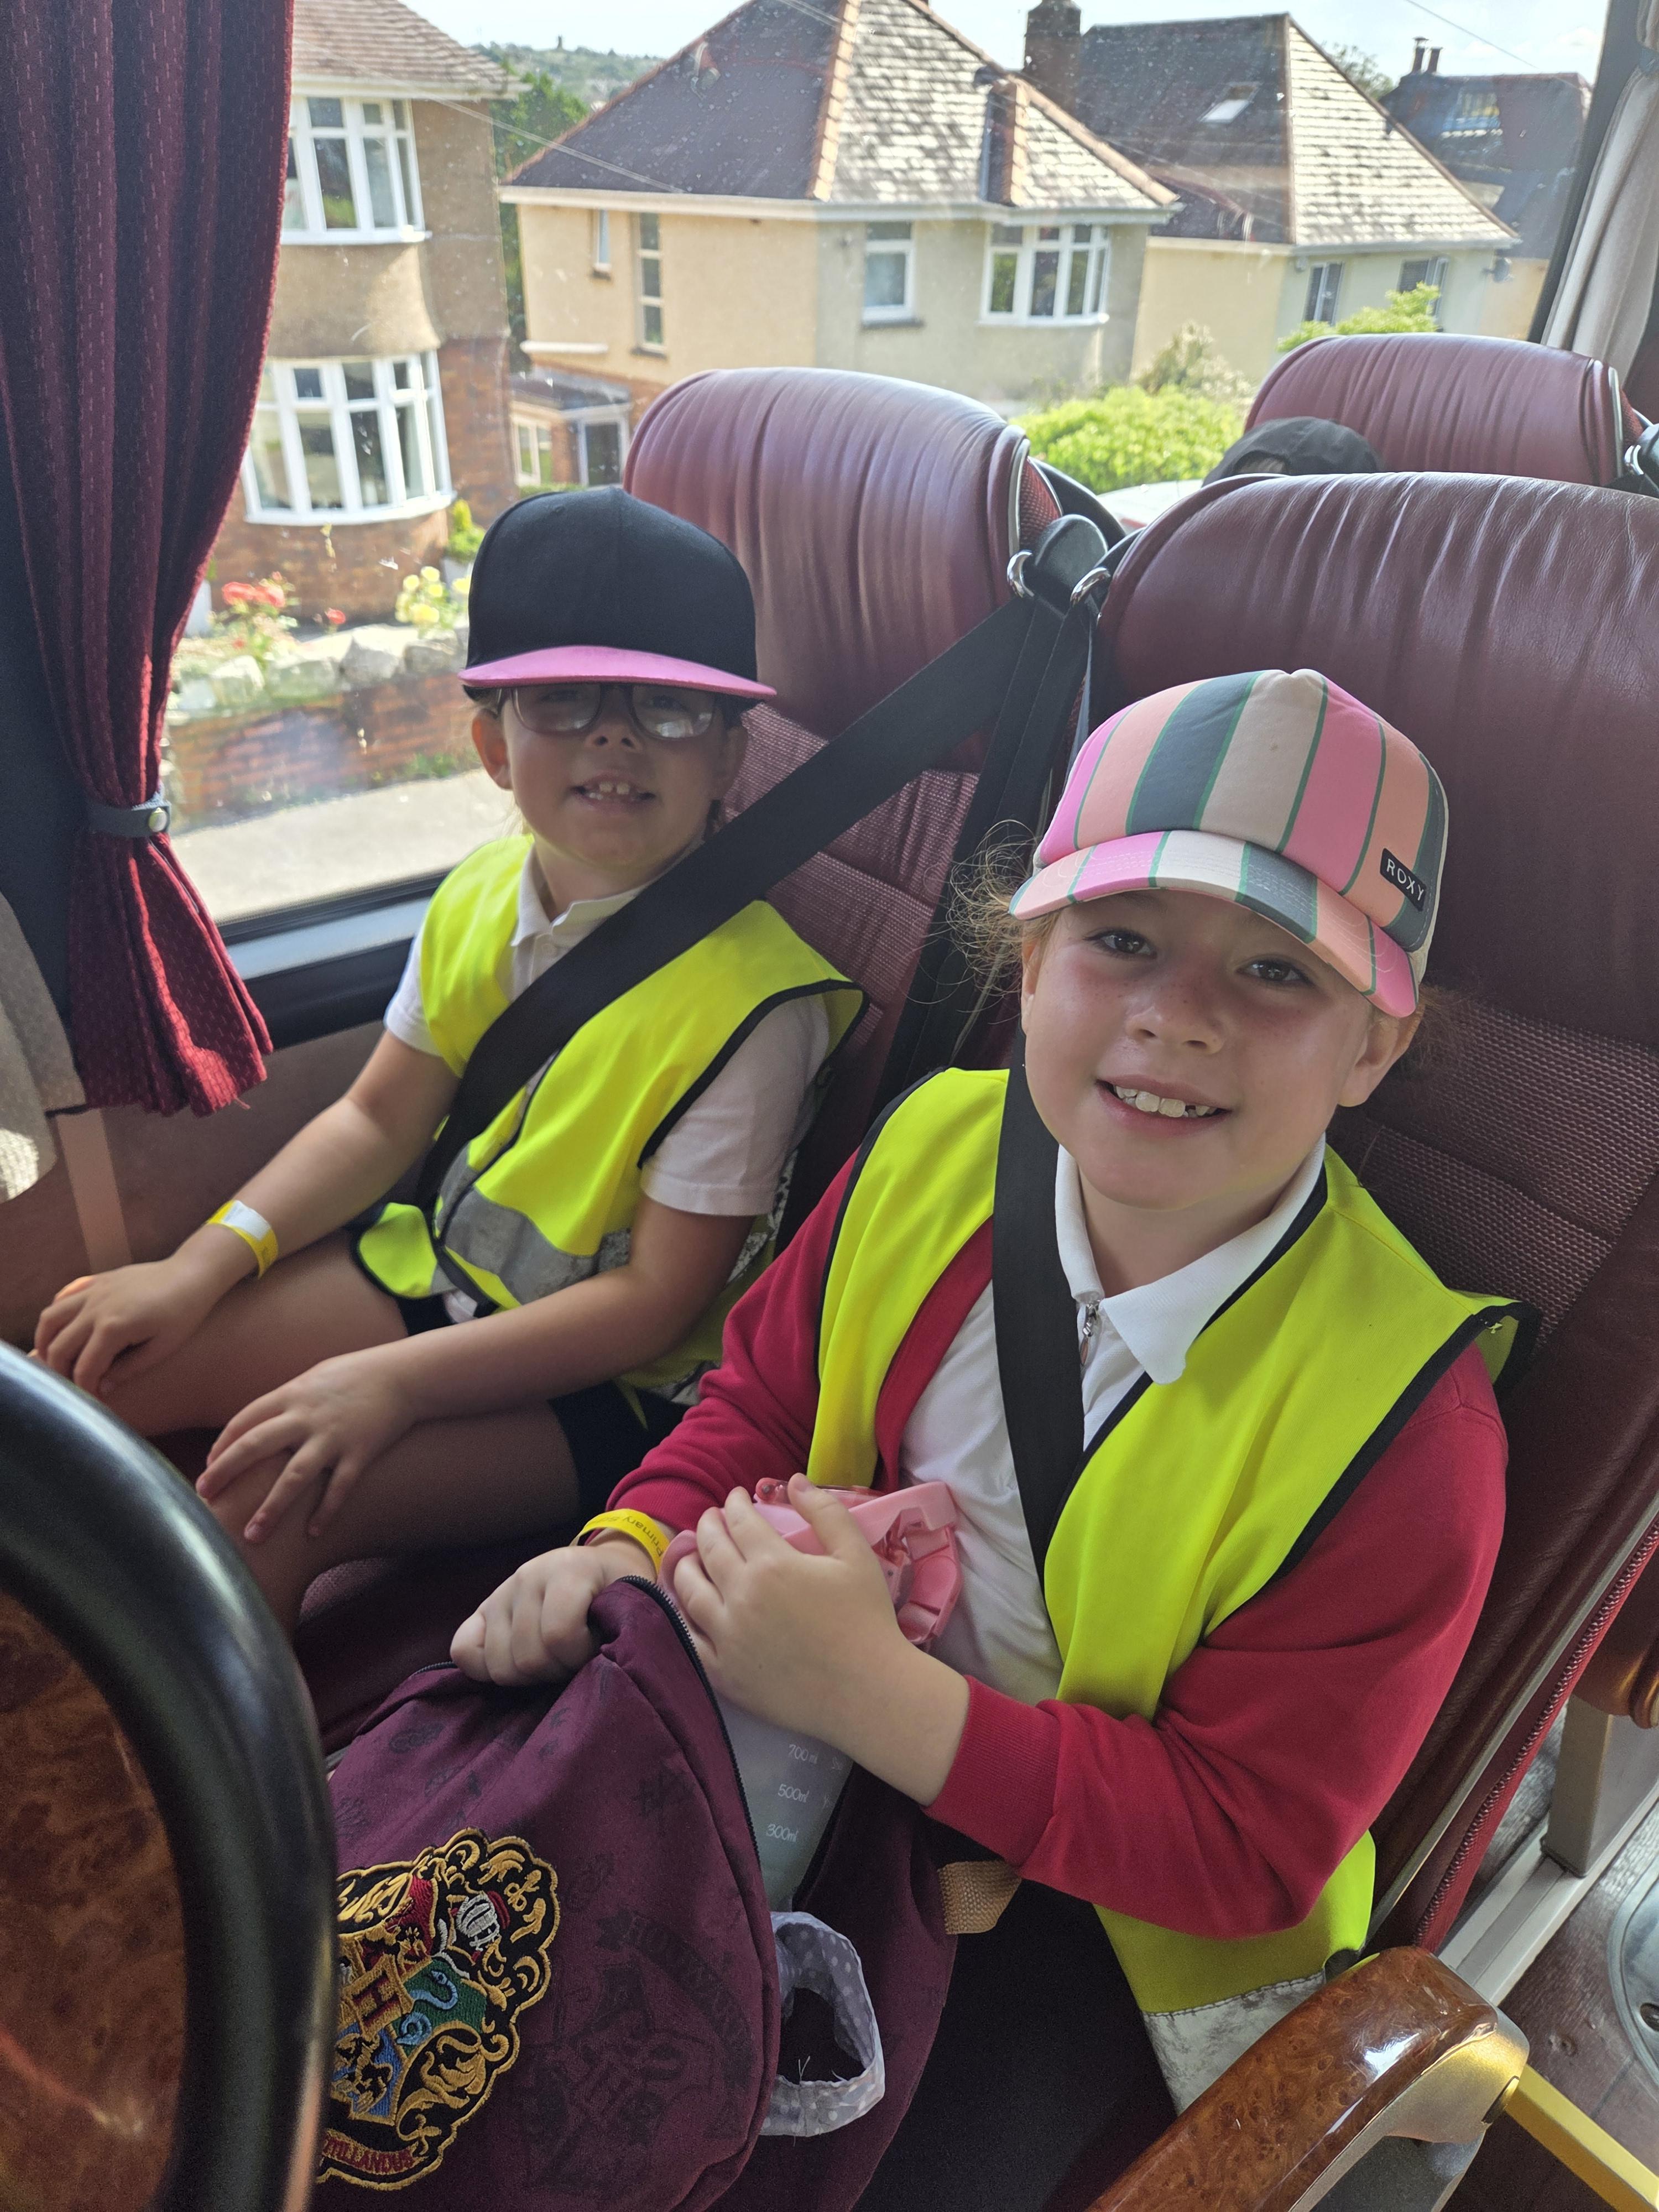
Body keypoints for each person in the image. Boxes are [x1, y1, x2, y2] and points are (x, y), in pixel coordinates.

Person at [452, 669, 1520, 2199]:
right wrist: (626, 1539)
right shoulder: (932, 1145)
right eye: (1121, 939)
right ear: (1028, 966)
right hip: (809, 1736)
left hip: (1111, 1926)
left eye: (1276, 972)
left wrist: (882, 1701)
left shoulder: (1410, 1432)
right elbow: (762, 1401)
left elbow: (1242, 1840)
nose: (1177, 1014)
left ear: (1373, 1052)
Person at [34, 489, 860, 1634]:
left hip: (608, 1387)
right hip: (435, 1273)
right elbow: (378, 1119)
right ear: (490, 746)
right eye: (564, 701)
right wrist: (198, 1267)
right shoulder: (476, 893)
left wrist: (385, 1383)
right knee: (86, 1381)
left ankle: (229, 1753)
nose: (616, 737)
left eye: (669, 708)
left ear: (730, 755)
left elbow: (651, 1304)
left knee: (262, 1501)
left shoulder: (758, 1005)